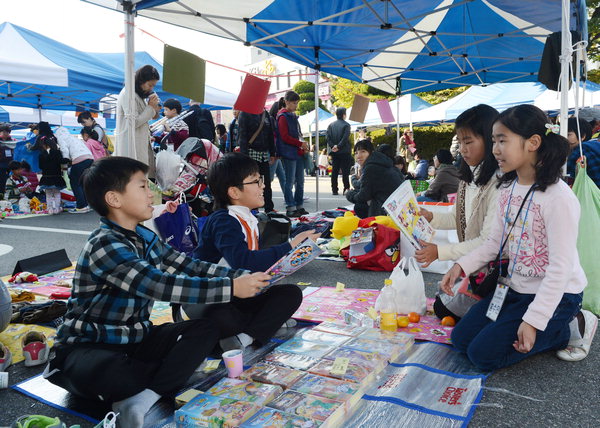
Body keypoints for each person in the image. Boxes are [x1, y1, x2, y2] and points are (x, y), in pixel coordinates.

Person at [43, 156, 269, 428]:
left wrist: (240, 276)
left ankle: (143, 397)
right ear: (114, 199)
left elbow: (189, 265)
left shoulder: (145, 236)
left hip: (136, 339)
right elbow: (158, 284)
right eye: (142, 187)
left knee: (203, 331)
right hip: (88, 348)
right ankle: (154, 380)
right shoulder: (104, 244)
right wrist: (231, 287)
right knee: (118, 375)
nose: (152, 193)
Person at [441, 104, 595, 371]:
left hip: (558, 296)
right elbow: (493, 243)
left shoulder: (558, 198)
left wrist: (534, 321)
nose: (496, 149)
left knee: (482, 356)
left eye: (503, 140)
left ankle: (565, 328)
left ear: (533, 142)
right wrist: (460, 266)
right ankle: (537, 322)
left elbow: (560, 268)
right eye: (493, 141)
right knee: (461, 339)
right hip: (514, 288)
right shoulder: (507, 188)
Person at [191, 153, 317, 347]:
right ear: (234, 192)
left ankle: (246, 336)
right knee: (225, 319)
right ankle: (256, 329)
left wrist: (294, 256)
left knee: (291, 294)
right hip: (213, 299)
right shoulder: (223, 221)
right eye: (256, 181)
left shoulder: (248, 217)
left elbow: (257, 262)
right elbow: (244, 261)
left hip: (241, 295)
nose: (263, 186)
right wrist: (291, 245)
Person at [416, 104, 500, 320]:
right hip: (477, 266)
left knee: (452, 313)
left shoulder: (499, 183)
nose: (463, 149)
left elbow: (487, 242)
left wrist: (440, 252)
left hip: (496, 269)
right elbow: (458, 217)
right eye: (460, 142)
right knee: (442, 306)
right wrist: (431, 216)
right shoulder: (468, 177)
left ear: (490, 139)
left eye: (469, 141)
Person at [115, 64, 161, 177]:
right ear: (141, 80)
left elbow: (151, 116)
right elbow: (133, 122)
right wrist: (150, 107)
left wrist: (154, 107)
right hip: (131, 146)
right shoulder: (129, 94)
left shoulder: (138, 96)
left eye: (153, 86)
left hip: (139, 144)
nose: (151, 89)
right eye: (150, 85)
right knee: (133, 179)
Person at [346, 139, 403, 218]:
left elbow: (363, 196)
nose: (359, 156)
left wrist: (349, 194)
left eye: (363, 151)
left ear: (371, 152)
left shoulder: (371, 167)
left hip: (385, 212)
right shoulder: (386, 163)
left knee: (359, 206)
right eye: (356, 153)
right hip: (398, 207)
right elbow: (367, 187)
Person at [276, 91, 308, 217]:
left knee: (300, 180)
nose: (296, 105)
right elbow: (284, 137)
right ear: (287, 102)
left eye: (297, 103)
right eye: (295, 103)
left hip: (296, 152)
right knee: (289, 181)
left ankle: (299, 205)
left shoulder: (292, 115)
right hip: (289, 153)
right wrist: (300, 144)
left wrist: (301, 144)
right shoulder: (283, 116)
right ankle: (291, 206)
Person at [238, 109, 276, 213]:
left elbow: (270, 134)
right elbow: (242, 136)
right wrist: (244, 156)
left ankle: (269, 208)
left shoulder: (265, 113)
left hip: (264, 153)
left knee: (266, 184)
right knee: (252, 183)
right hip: (251, 153)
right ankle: (254, 210)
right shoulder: (244, 113)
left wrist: (272, 152)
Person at [56, 126, 94, 213]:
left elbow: (64, 150)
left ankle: (81, 206)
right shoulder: (74, 138)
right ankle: (86, 204)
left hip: (79, 160)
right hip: (90, 159)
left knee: (75, 183)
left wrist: (64, 161)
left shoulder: (61, 138)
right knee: (82, 183)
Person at [30, 123, 65, 214]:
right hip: (57, 176)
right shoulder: (57, 151)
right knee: (57, 193)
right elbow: (61, 161)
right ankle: (57, 208)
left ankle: (50, 209)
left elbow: (40, 166)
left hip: (46, 177)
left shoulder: (41, 155)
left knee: (48, 193)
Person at [566, 116, 600, 188]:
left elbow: (566, 172)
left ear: (582, 136)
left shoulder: (580, 150)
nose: (564, 137)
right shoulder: (594, 145)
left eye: (568, 134)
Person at [326, 107, 353, 195]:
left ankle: (334, 189)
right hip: (344, 151)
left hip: (334, 151)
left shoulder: (330, 125)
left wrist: (333, 146)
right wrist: (339, 146)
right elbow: (345, 138)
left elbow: (328, 137)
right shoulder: (346, 125)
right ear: (344, 115)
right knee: (345, 171)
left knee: (334, 171)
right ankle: (346, 188)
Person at [0, 123, 16, 199]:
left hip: (9, 165)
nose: (5, 133)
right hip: (1, 164)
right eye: (3, 132)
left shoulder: (11, 142)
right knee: (1, 181)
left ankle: (7, 196)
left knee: (9, 181)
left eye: (7, 132)